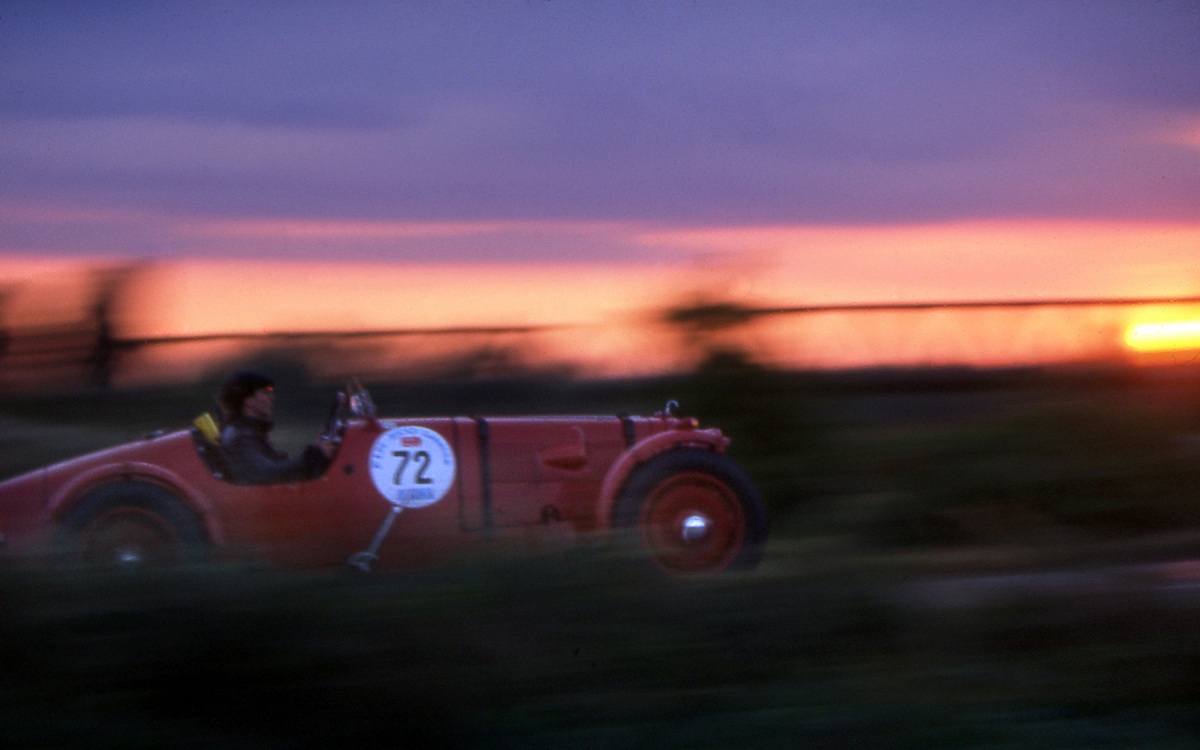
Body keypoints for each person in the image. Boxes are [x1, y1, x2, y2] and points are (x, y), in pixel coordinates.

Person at [217, 370, 336, 484]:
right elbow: (266, 474)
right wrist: (313, 456)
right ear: (248, 401)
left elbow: (276, 466)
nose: (272, 397)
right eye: (265, 393)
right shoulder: (241, 436)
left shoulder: (248, 431)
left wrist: (316, 451)